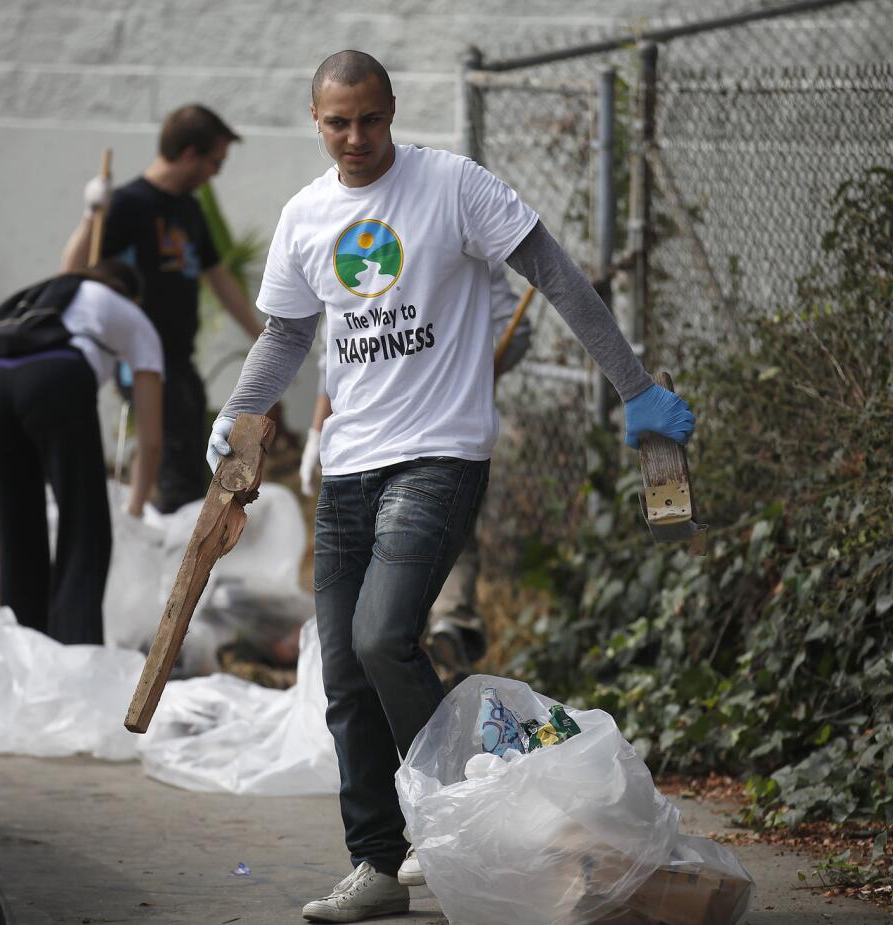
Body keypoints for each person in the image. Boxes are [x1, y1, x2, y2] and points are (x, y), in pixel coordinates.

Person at [209, 51, 695, 923]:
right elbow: (286, 333)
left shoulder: (454, 187)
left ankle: (467, 818)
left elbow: (555, 275)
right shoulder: (306, 215)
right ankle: (376, 865)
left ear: (392, 112)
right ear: (315, 122)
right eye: (337, 123)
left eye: (370, 119)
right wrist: (242, 411)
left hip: (439, 454)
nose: (356, 138)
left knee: (383, 635)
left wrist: (636, 389)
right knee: (344, 674)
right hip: (349, 463)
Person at [299, 264, 533, 688]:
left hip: (438, 437)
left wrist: (467, 370)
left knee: (427, 543)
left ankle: (444, 632)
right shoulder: (335, 241)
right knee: (416, 559)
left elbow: (512, 331)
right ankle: (434, 632)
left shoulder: (456, 230)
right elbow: (334, 352)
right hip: (371, 447)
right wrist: (317, 430)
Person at [62, 103, 263, 514]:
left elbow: (218, 275)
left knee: (190, 453)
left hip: (180, 361)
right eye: (215, 162)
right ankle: (172, 556)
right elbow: (72, 271)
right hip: (139, 360)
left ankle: (172, 544)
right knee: (177, 468)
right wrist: (90, 214)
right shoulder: (128, 205)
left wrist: (265, 337)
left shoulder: (189, 209)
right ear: (190, 154)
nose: (215, 173)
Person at [0, 260, 164, 646]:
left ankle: (20, 651)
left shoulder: (50, 295)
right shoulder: (132, 314)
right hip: (54, 377)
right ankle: (72, 655)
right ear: (132, 296)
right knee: (84, 528)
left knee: (18, 527)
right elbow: (151, 437)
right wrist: (136, 507)